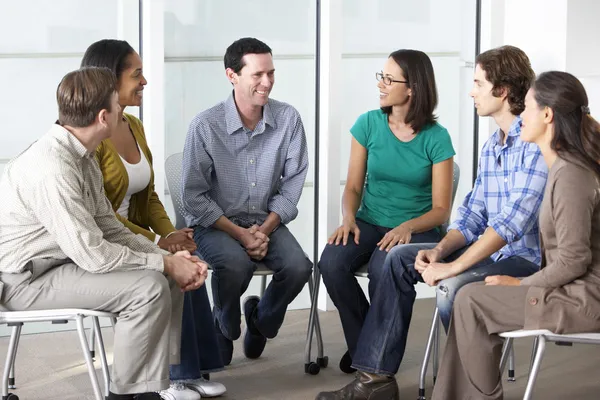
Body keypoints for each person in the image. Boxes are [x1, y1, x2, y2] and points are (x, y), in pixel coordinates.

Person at [315, 45, 548, 400]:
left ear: (501, 91)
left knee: (453, 288)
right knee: (398, 259)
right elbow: (471, 216)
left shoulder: (533, 145)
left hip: (521, 258)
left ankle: (464, 386)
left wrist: (450, 265)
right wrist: (439, 251)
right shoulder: (492, 146)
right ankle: (376, 380)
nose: (471, 91)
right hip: (472, 246)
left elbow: (509, 226)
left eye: (477, 83)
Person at [0, 67, 207, 400]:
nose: (121, 110)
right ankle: (125, 395)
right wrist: (167, 265)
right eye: (116, 103)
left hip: (60, 264)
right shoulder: (53, 168)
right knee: (148, 287)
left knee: (161, 277)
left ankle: (152, 385)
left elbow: (108, 226)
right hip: (22, 281)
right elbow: (93, 253)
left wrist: (168, 258)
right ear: (103, 116)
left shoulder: (84, 155)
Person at [432, 71, 600, 399]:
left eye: (530, 108)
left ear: (548, 115)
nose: (522, 115)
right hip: (569, 291)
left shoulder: (571, 177)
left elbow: (574, 259)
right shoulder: (563, 168)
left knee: (471, 300)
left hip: (582, 301)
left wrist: (522, 284)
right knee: (469, 298)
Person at [81, 39, 226, 400]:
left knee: (190, 262)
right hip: (107, 241)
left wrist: (171, 233)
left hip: (140, 235)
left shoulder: (133, 125)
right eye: (137, 73)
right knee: (172, 270)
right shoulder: (92, 136)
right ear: (110, 81)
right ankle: (170, 378)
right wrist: (159, 245)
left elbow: (148, 197)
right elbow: (103, 214)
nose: (145, 81)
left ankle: (193, 371)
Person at [318, 49, 455, 374]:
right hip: (369, 220)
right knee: (331, 263)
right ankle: (365, 348)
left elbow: (441, 209)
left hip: (418, 227)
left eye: (389, 79)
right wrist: (348, 218)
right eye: (381, 76)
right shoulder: (368, 124)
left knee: (384, 270)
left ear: (412, 88)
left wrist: (407, 227)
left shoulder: (436, 138)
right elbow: (352, 187)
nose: (381, 84)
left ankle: (375, 368)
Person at [182, 37, 312, 364]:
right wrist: (241, 235)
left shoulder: (289, 119)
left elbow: (294, 180)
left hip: (265, 221)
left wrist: (264, 230)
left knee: (300, 267)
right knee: (235, 263)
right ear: (232, 75)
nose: (266, 82)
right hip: (216, 225)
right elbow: (193, 196)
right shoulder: (205, 125)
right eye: (257, 75)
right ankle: (223, 321)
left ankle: (259, 320)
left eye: (271, 73)